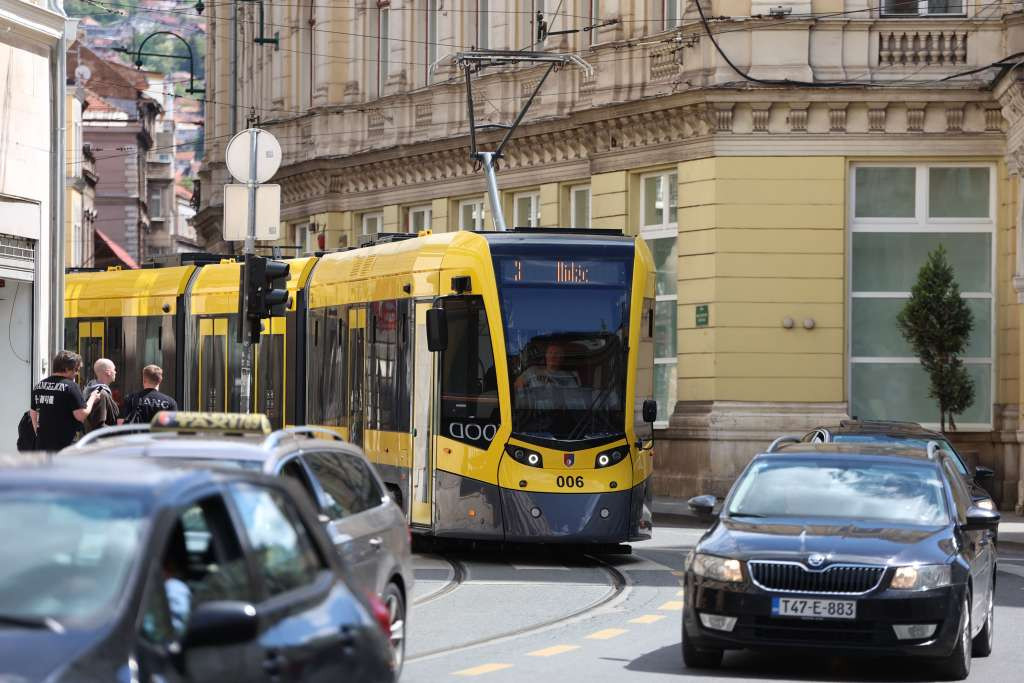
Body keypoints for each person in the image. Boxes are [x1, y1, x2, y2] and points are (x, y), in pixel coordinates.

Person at [30, 350, 99, 451]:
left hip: (42, 445)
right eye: (76, 370)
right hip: (64, 446)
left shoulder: (39, 385)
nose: (77, 373)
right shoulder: (71, 386)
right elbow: (81, 415)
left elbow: (33, 412)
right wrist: (92, 398)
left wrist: (38, 432)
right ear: (66, 369)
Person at [514, 342, 581, 390]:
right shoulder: (532, 371)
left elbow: (575, 397)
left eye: (557, 353)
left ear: (562, 358)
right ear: (546, 356)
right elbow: (517, 386)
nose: (553, 356)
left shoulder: (568, 377)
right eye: (550, 353)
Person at [83, 358, 119, 433]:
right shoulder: (101, 393)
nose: (115, 372)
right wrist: (119, 431)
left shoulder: (94, 390)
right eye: (114, 369)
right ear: (108, 372)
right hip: (101, 443)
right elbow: (99, 426)